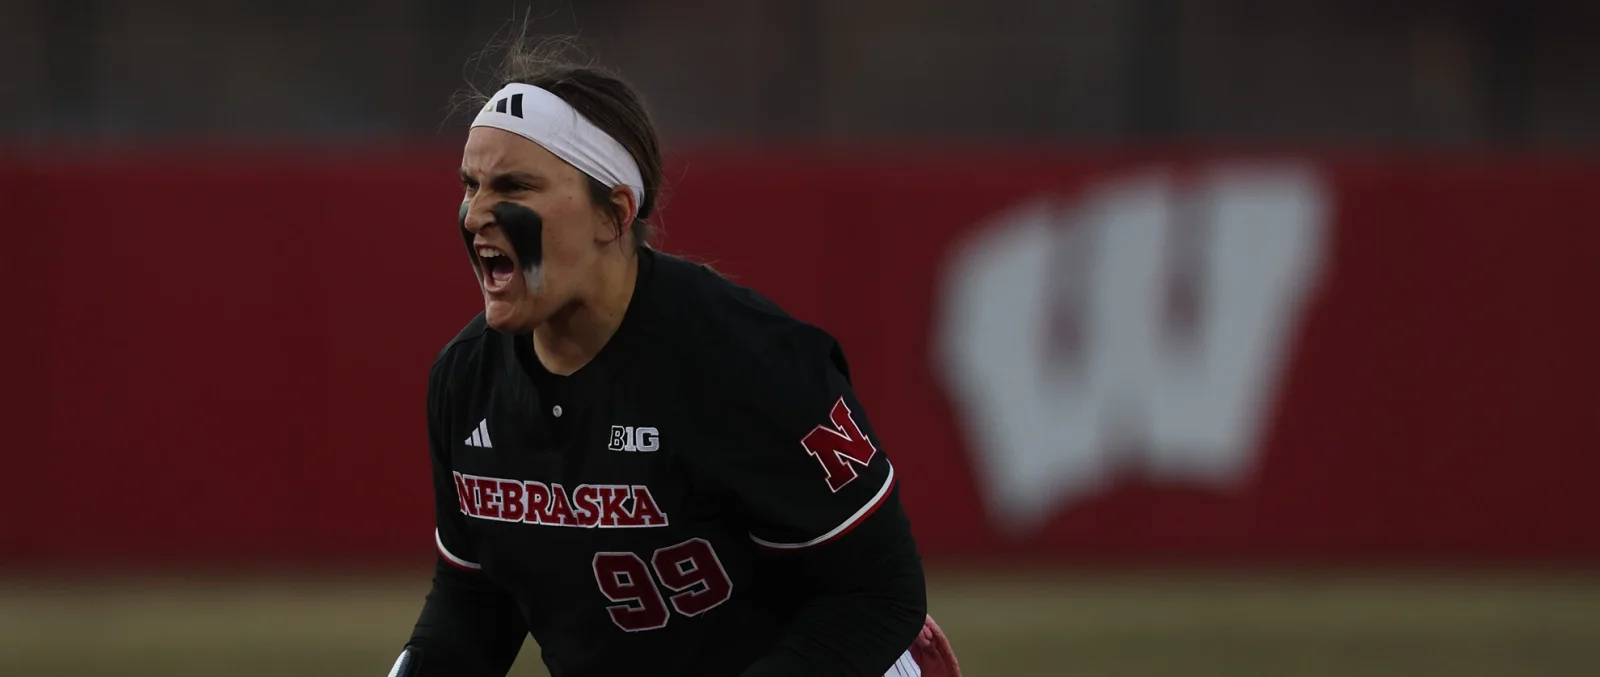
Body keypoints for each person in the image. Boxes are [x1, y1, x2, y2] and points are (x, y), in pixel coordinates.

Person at [387, 31, 960, 677]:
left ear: (613, 214)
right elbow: (475, 599)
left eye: (514, 186)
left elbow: (878, 594)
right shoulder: (468, 381)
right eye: (471, 184)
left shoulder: (747, 362)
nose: (475, 214)